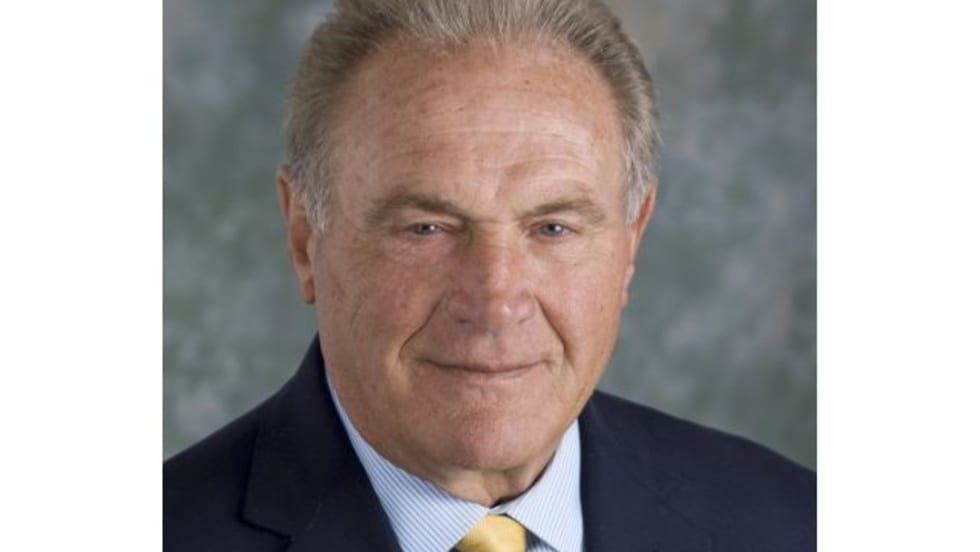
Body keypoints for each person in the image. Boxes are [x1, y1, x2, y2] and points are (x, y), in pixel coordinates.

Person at [164, 1, 815, 550]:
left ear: (631, 239)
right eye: (427, 228)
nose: (496, 302)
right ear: (306, 238)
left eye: (552, 229)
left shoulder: (794, 524)